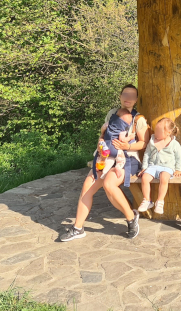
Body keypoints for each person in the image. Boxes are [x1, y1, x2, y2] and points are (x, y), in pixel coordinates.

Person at [60, 84, 149, 242]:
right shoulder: (112, 113)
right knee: (87, 187)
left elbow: (143, 143)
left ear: (136, 99)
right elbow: (104, 135)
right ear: (120, 96)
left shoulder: (139, 119)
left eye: (132, 96)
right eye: (125, 94)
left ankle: (131, 218)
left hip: (127, 159)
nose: (128, 98)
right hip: (106, 158)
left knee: (109, 184)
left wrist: (126, 146)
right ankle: (78, 228)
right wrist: (100, 143)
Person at [137, 117, 181, 215]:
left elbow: (179, 157)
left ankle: (160, 201)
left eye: (159, 131)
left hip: (167, 167)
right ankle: (147, 200)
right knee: (145, 177)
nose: (156, 133)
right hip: (152, 166)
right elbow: (147, 154)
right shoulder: (152, 141)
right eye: (156, 130)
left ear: (168, 133)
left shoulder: (174, 144)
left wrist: (178, 169)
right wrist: (144, 167)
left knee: (164, 177)